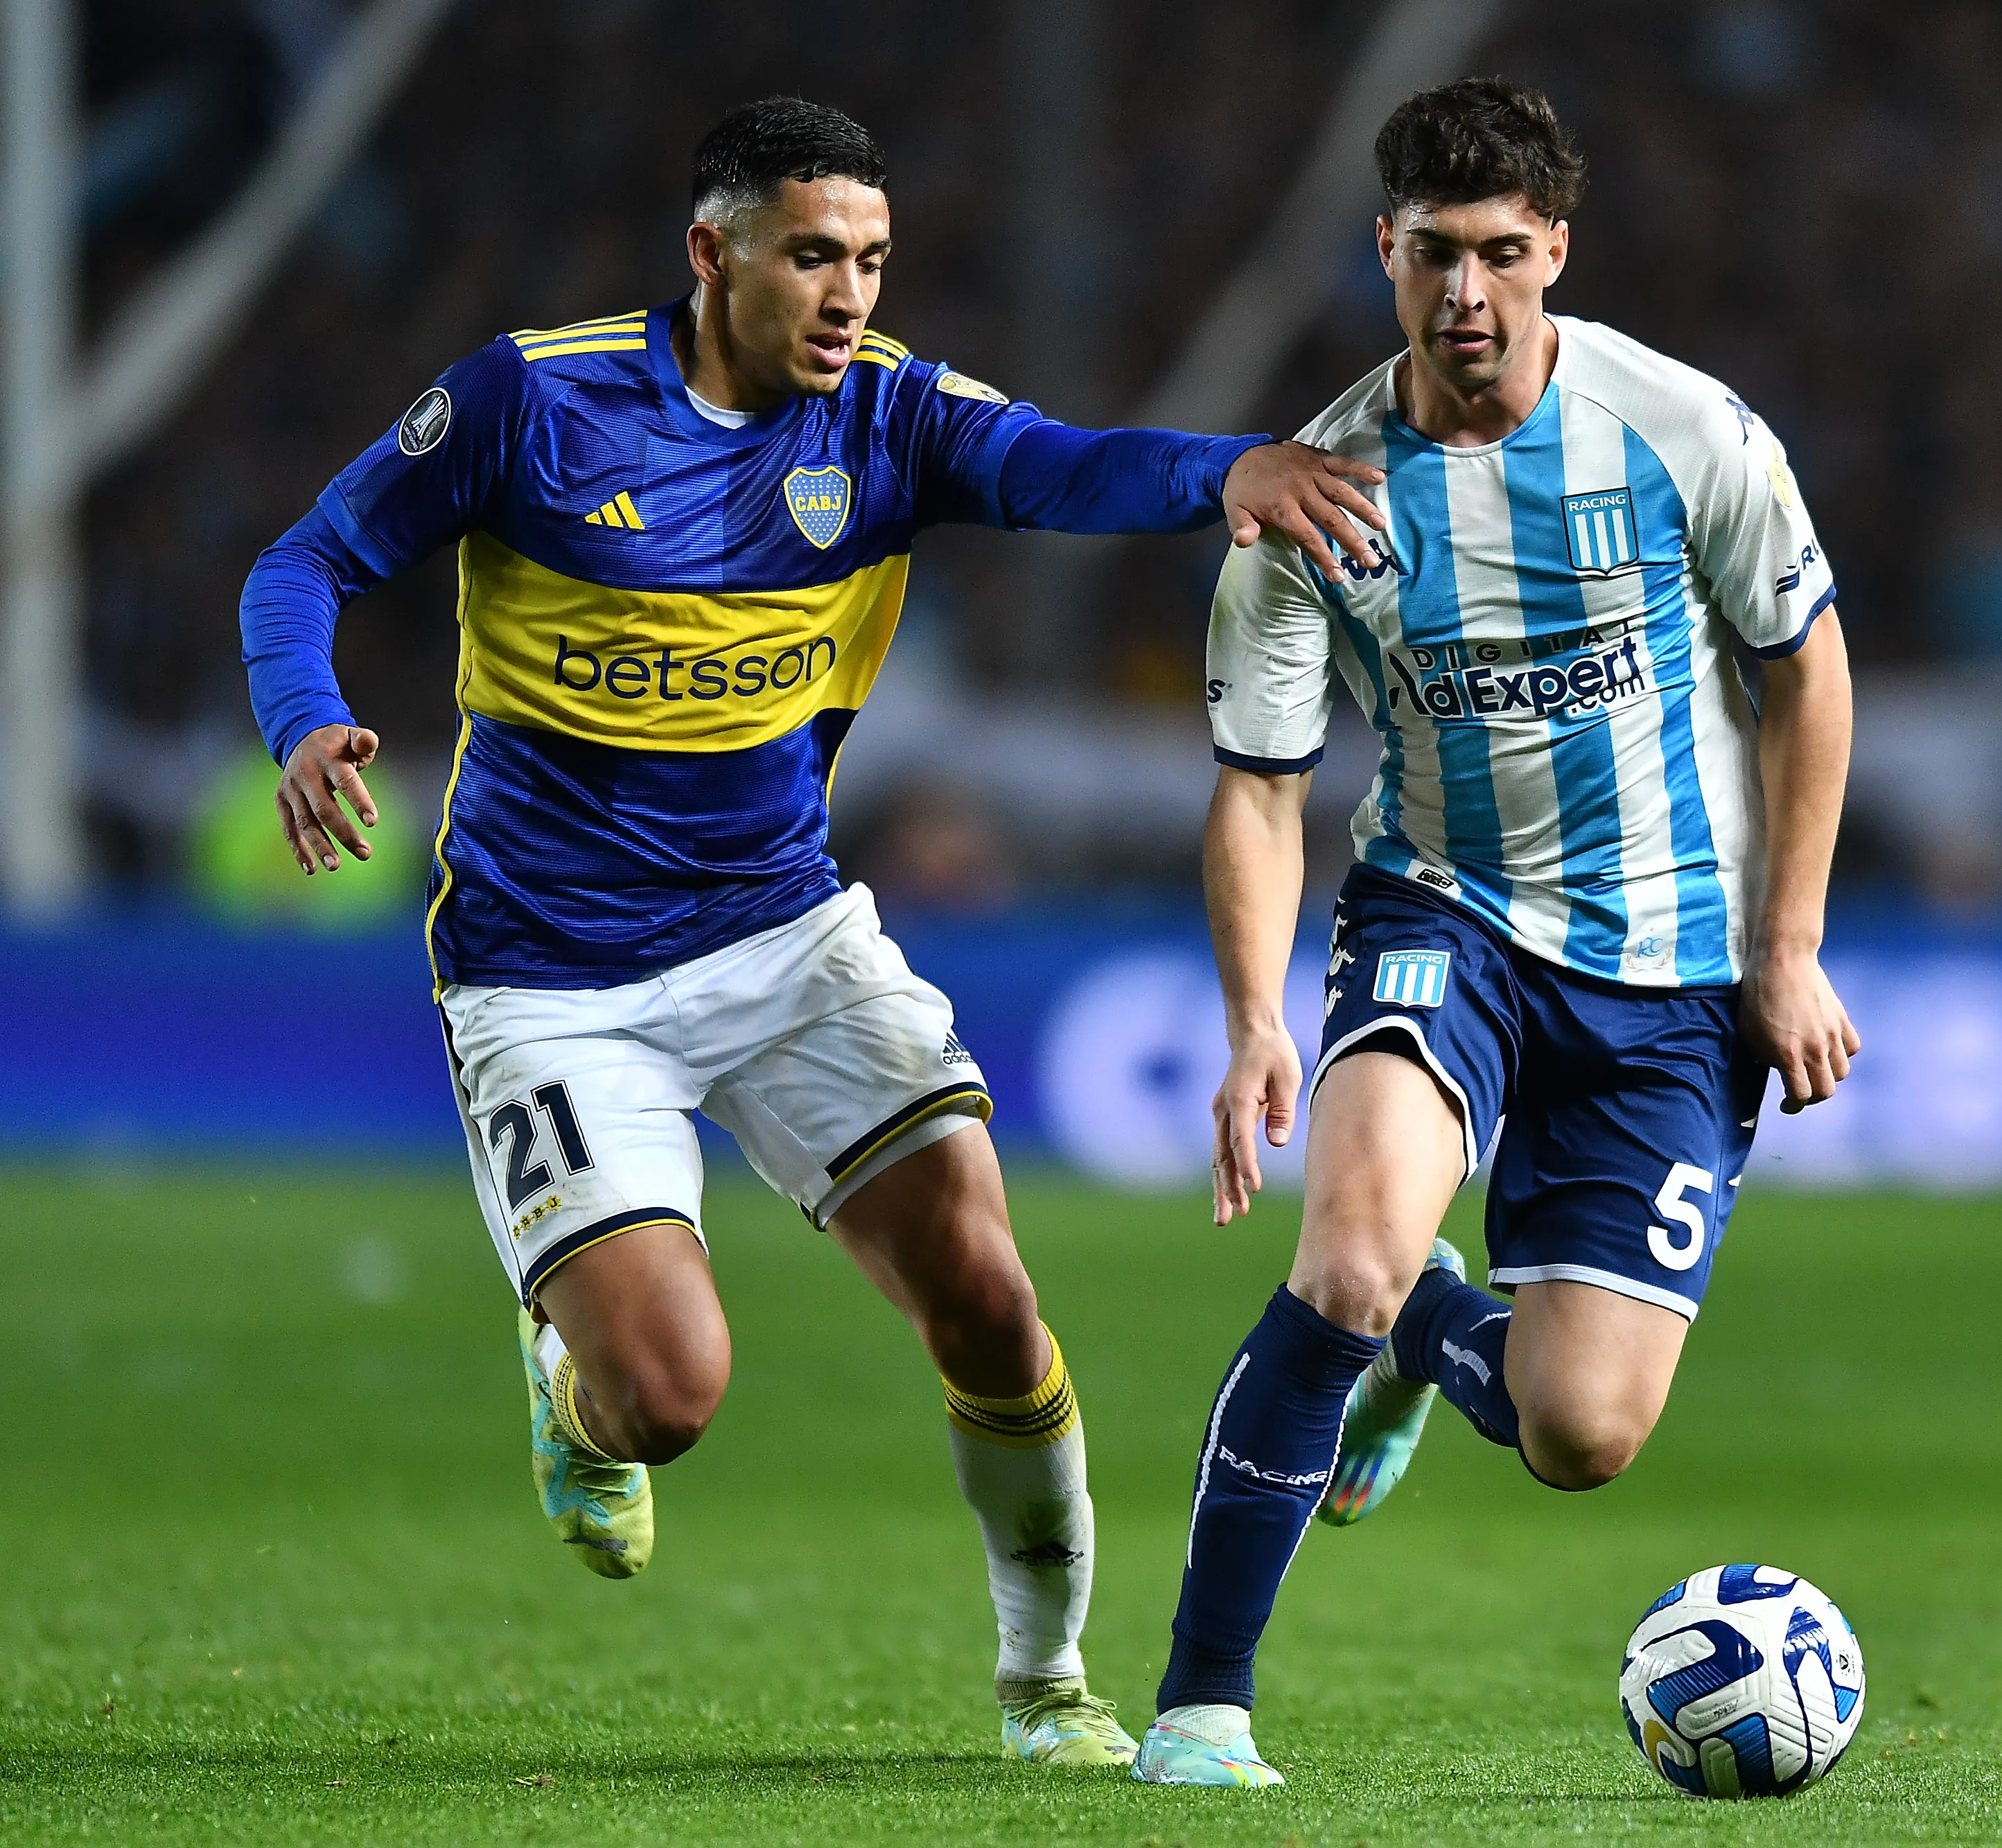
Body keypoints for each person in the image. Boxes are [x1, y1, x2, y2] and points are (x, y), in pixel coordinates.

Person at [236, 96, 1385, 1768]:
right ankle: (574, 1383)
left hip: (784, 938)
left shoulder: (895, 418)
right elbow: (308, 558)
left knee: (987, 1292)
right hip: (552, 981)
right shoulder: (528, 401)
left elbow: (1068, 465)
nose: (847, 294)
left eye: (869, 259)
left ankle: (1045, 1686)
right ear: (712, 255)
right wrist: (303, 719)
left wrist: (1234, 475)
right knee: (670, 1395)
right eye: (811, 257)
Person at [1131, 77, 1861, 1788]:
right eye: (1433, 255)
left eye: (1502, 256)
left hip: (1672, 970)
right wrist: (1254, 1017)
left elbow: (1803, 669)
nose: (1466, 293)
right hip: (1440, 914)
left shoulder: (1681, 432)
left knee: (1578, 1428)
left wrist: (1790, 943)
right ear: (1381, 249)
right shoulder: (1315, 497)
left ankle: (1433, 1337)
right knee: (1345, 1256)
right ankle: (1199, 1708)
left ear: (1555, 252)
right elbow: (1257, 786)